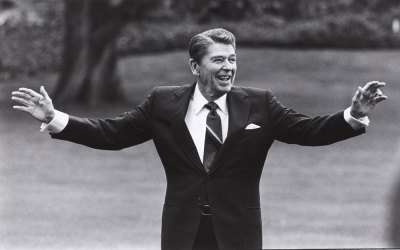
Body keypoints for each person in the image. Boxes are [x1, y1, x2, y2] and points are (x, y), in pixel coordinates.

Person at [11, 28, 387, 249]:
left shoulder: (260, 104)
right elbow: (113, 134)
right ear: (195, 66)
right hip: (182, 234)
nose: (228, 68)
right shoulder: (162, 103)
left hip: (238, 234)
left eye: (232, 59)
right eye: (218, 60)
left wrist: (353, 115)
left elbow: (309, 131)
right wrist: (56, 118)